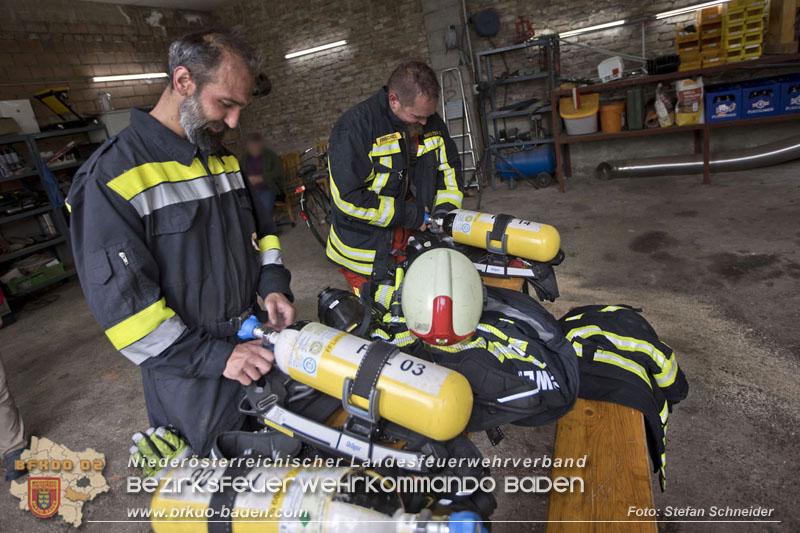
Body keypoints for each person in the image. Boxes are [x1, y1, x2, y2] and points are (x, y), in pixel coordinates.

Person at [67, 29, 295, 456]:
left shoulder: (218, 155)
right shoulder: (111, 177)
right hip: (190, 378)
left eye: (239, 108)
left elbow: (263, 231)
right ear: (184, 81)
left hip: (252, 342)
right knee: (216, 489)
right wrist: (215, 359)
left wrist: (272, 284)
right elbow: (128, 314)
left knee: (274, 473)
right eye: (226, 104)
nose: (233, 122)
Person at [325, 61, 463, 294]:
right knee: (382, 319)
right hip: (365, 256)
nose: (425, 123)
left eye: (429, 115)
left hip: (413, 241)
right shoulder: (354, 128)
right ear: (394, 100)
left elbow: (449, 172)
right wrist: (411, 215)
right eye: (417, 116)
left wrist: (442, 215)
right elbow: (348, 199)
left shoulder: (431, 121)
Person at [238, 132, 284, 224]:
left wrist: (261, 178)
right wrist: (248, 179)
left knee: (266, 207)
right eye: (251, 145)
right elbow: (239, 173)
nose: (254, 148)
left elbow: (278, 172)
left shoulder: (270, 155)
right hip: (250, 190)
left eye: (256, 145)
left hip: (267, 187)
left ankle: (268, 229)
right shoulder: (244, 158)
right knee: (246, 208)